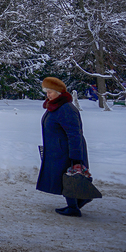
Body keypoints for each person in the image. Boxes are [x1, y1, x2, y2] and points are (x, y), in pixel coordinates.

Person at [36, 76, 91, 217]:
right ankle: (75, 203)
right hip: (58, 150)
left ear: (59, 92)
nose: (48, 95)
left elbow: (75, 134)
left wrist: (76, 158)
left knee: (68, 177)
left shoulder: (66, 108)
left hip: (67, 150)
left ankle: (75, 205)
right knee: (64, 177)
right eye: (46, 91)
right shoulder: (55, 106)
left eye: (51, 92)